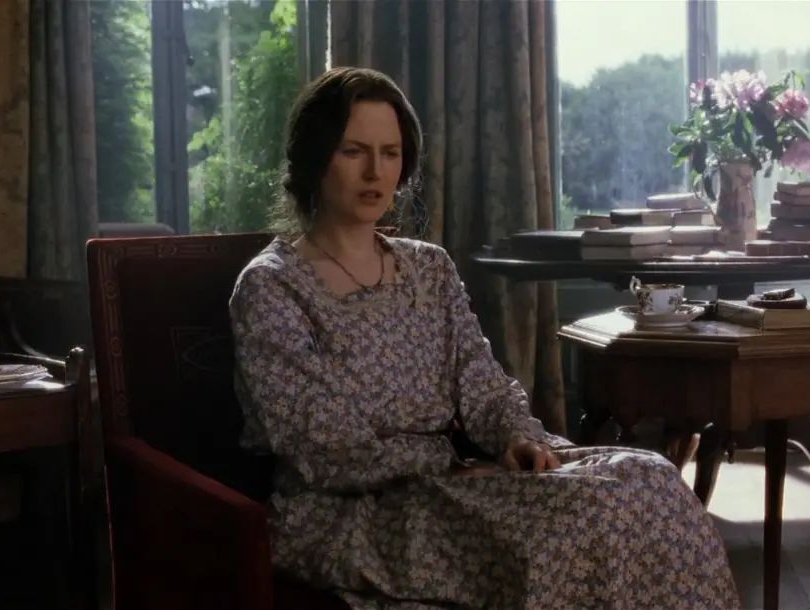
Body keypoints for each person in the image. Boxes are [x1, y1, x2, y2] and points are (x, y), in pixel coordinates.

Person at [229, 66, 739, 610]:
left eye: (391, 153)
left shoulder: (429, 269)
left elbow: (484, 386)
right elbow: (321, 449)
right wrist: (457, 469)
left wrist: (517, 439)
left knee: (651, 479)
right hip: (355, 508)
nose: (376, 171)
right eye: (353, 151)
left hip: (460, 479)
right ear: (314, 157)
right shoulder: (273, 287)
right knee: (567, 527)